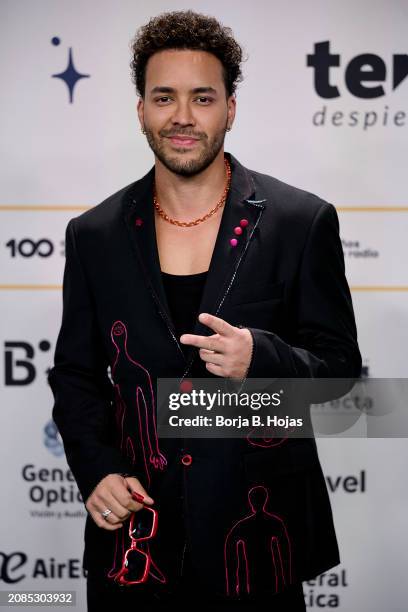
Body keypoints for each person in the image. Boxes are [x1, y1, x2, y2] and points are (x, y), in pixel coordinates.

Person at [48, 9, 361, 611]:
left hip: (257, 546)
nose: (183, 117)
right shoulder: (94, 234)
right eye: (164, 97)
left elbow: (340, 372)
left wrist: (261, 358)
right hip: (137, 545)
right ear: (141, 108)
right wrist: (98, 471)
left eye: (203, 97)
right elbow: (76, 374)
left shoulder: (301, 222)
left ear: (230, 109)